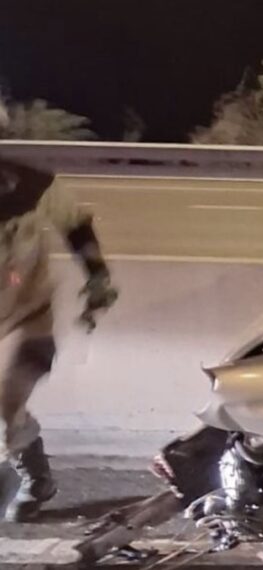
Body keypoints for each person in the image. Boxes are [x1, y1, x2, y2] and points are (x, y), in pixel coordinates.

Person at [0, 106, 119, 522]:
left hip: (29, 315)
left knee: (4, 402)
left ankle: (34, 479)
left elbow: (76, 226)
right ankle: (32, 467)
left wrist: (99, 279)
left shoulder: (33, 186)